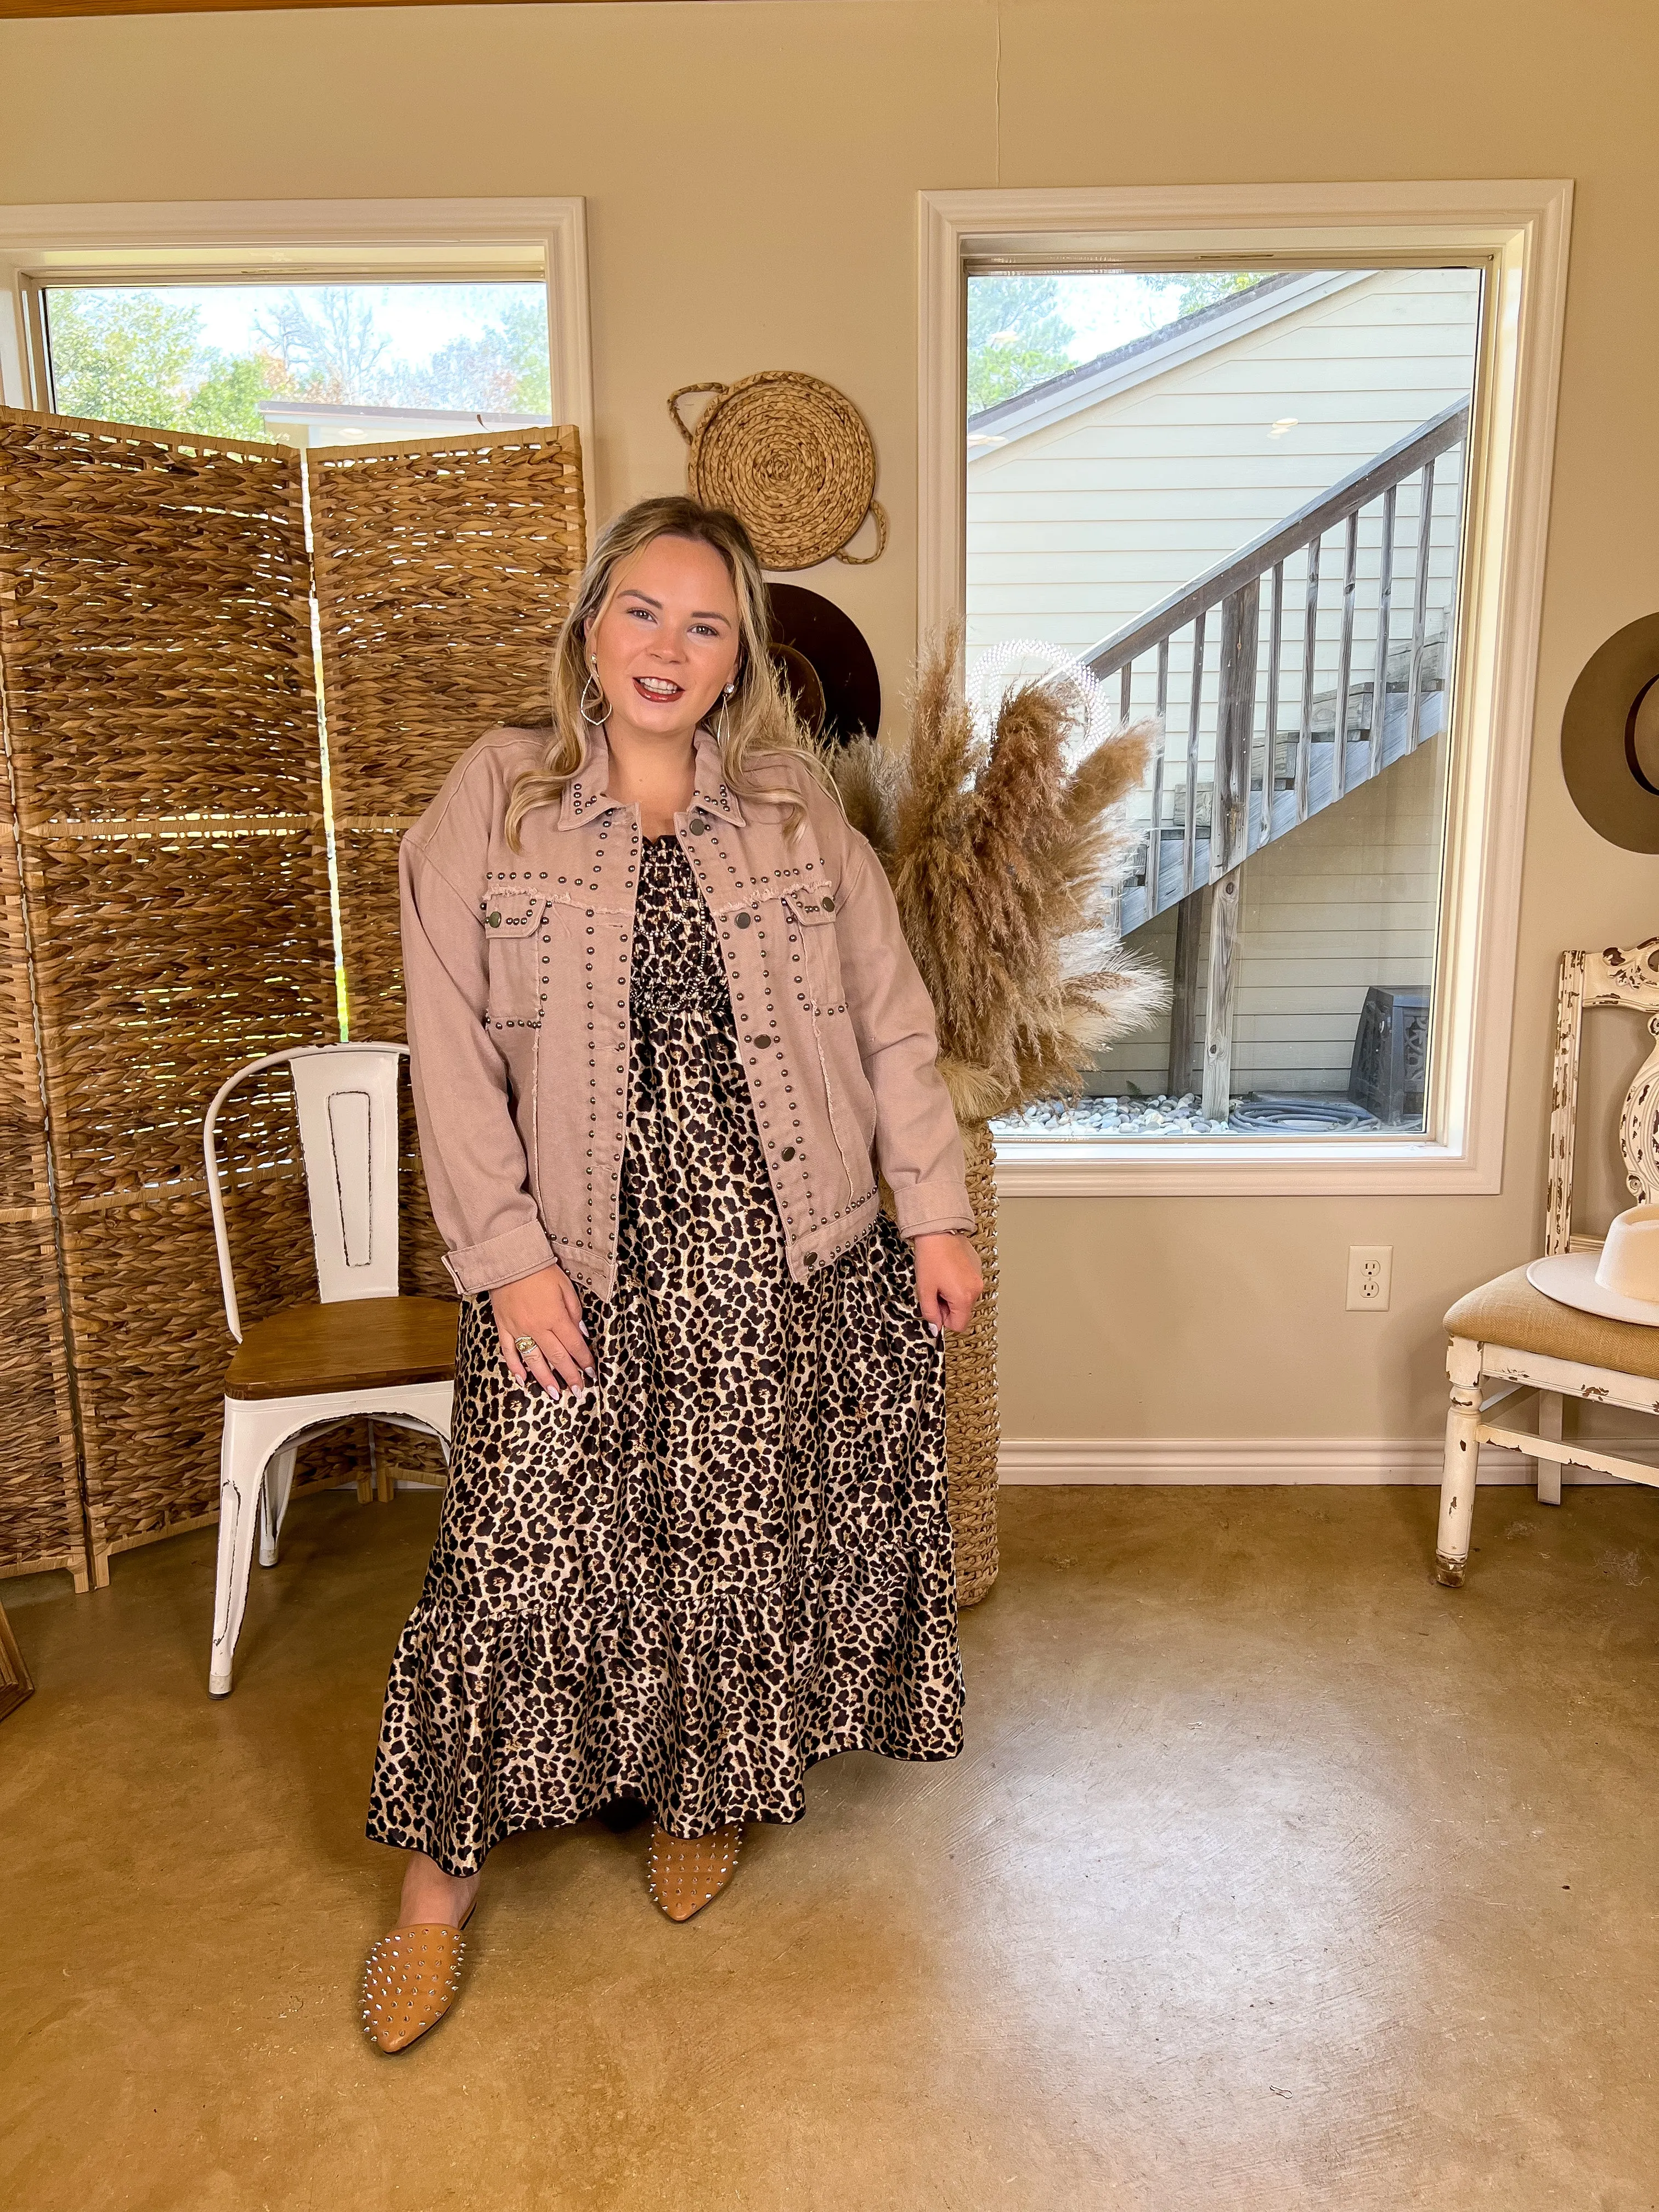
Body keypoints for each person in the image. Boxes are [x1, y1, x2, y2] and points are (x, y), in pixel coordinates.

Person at [359, 495, 984, 2053]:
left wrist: (940, 1212)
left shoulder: (791, 816)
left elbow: (889, 1021)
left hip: (781, 1242)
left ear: (739, 661)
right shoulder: (493, 804)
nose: (668, 648)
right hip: (569, 1247)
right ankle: (435, 1889)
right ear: (590, 622)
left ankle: (699, 1791)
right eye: (643, 610)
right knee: (515, 1551)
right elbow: (446, 1051)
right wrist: (506, 1263)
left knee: (730, 1534)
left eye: (705, 626)